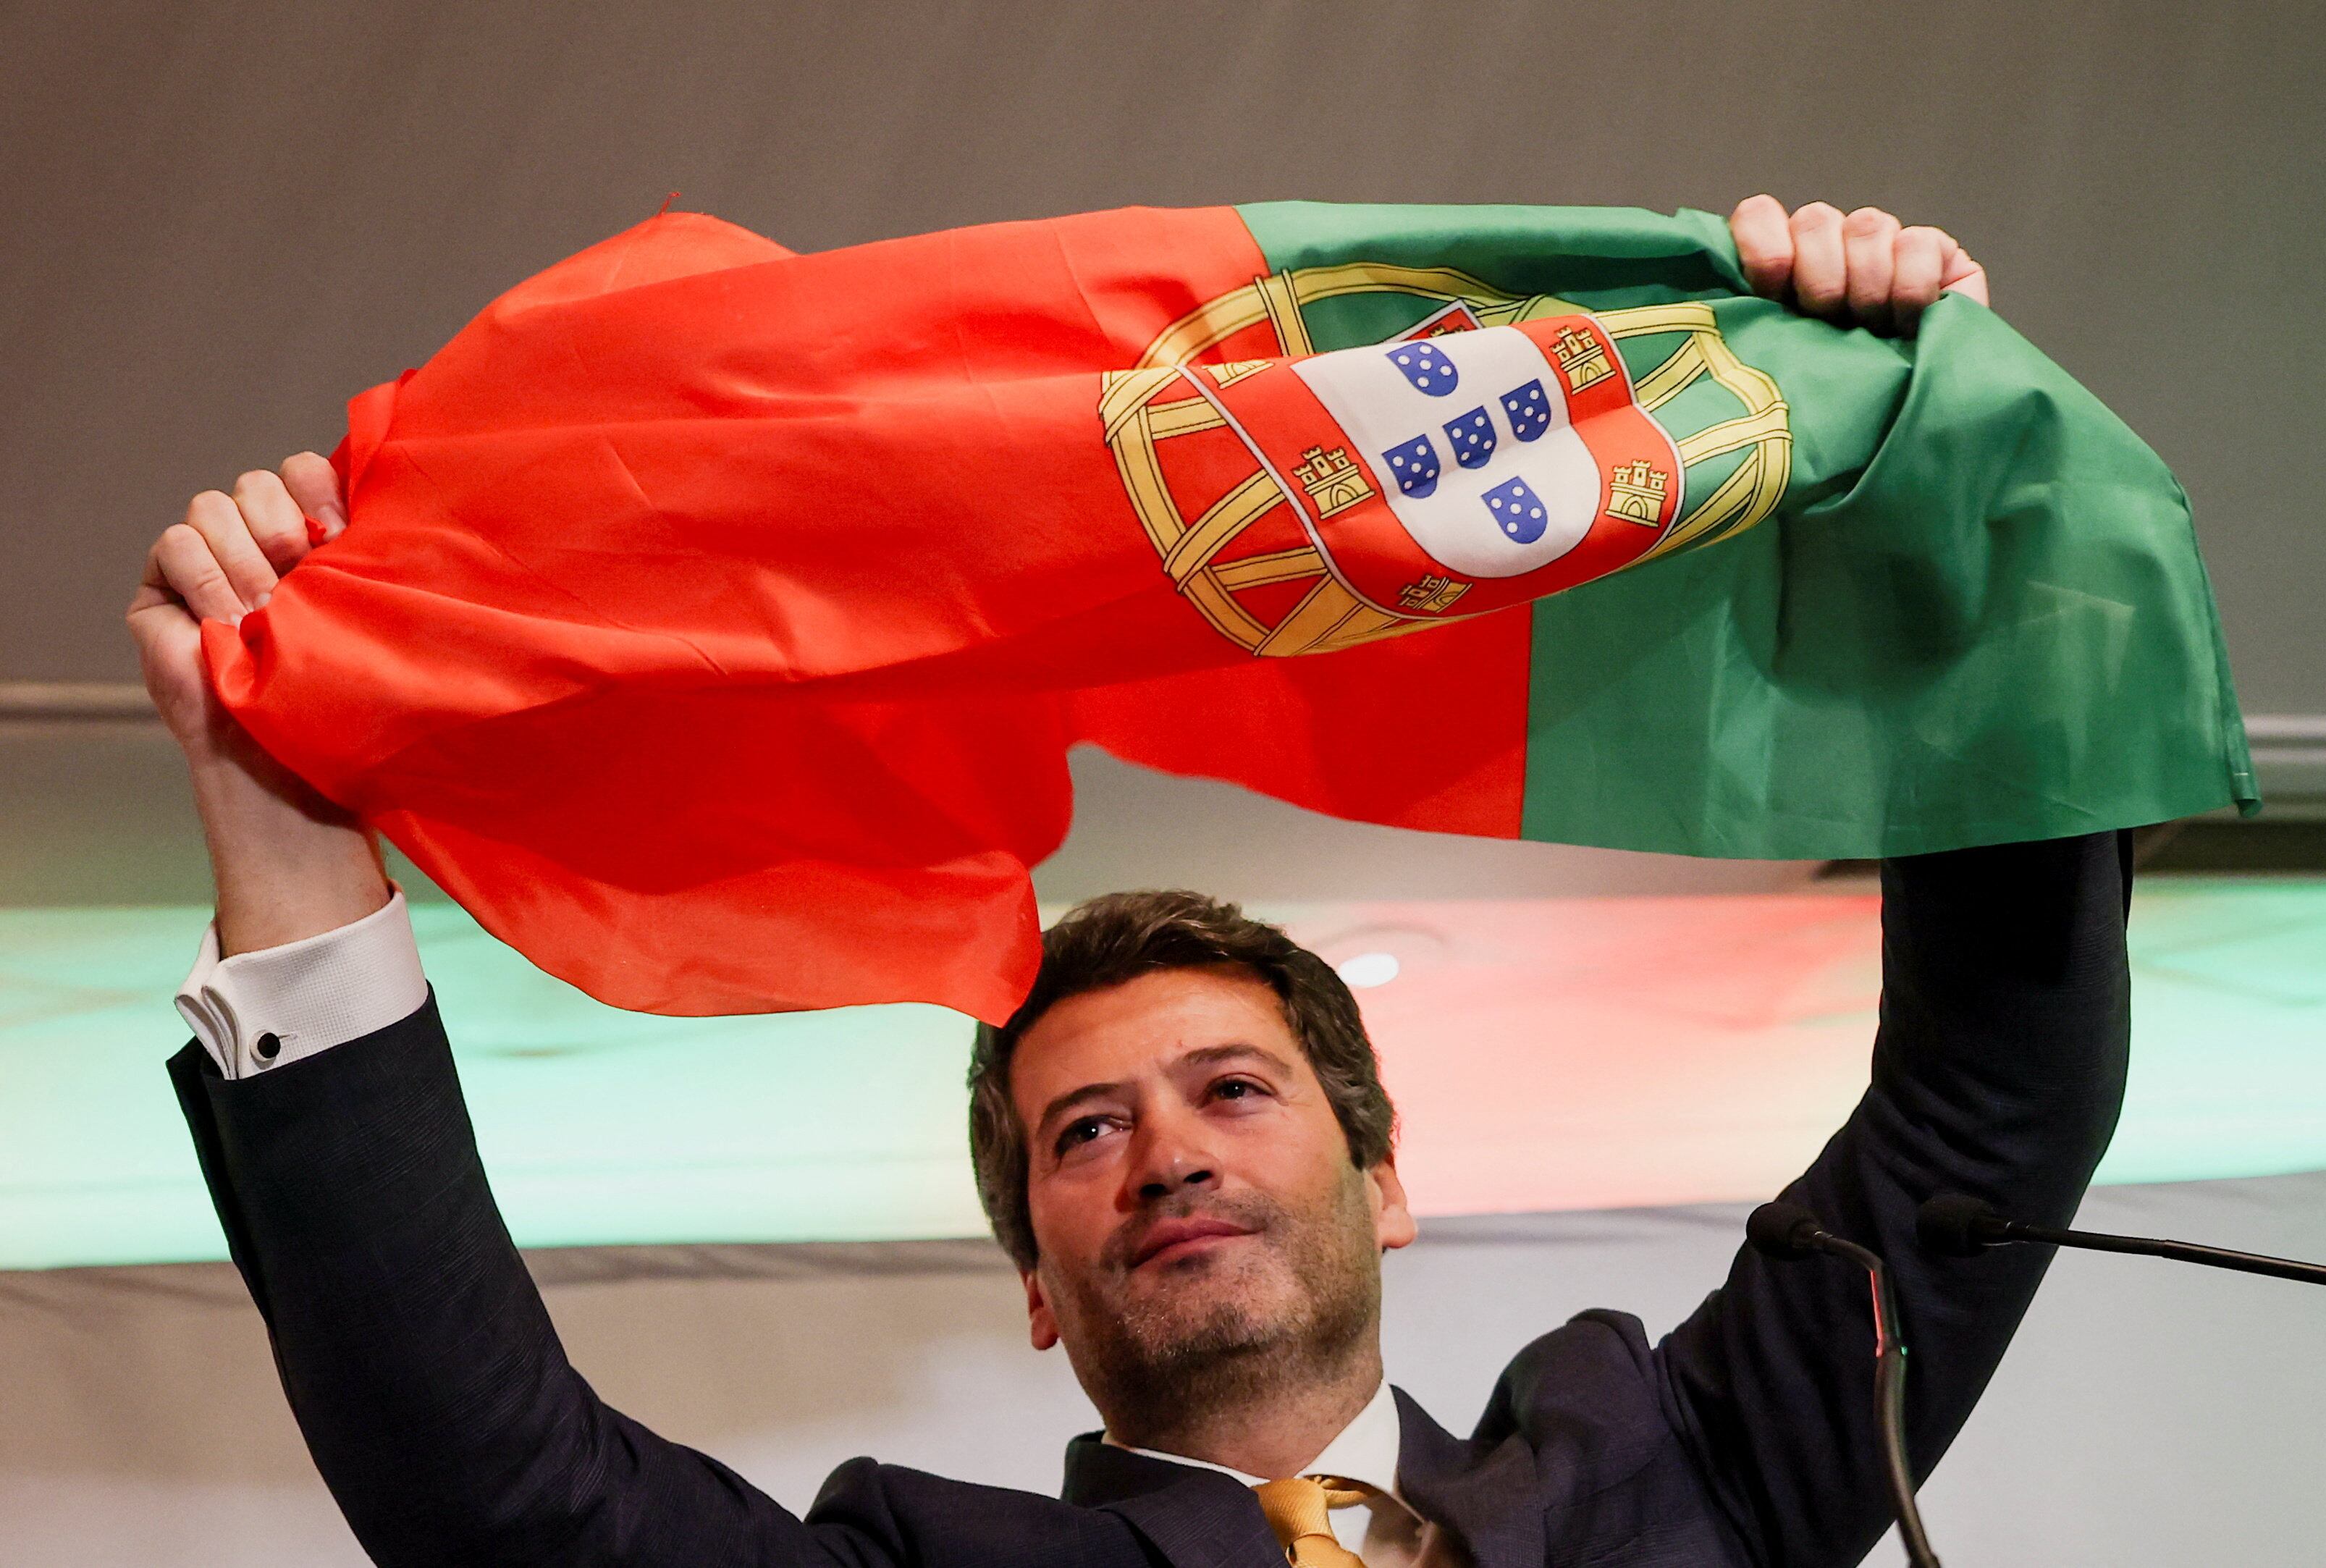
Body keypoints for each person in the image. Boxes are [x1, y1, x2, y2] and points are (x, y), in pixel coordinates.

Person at [132, 199, 2127, 1568]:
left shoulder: (1675, 1472)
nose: (1162, 1153)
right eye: (1084, 1130)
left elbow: (1991, 1102)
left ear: (1389, 1178)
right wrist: (288, 844)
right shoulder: (920, 1560)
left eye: (1230, 1089)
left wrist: (1923, 520)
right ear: (1030, 1280)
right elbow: (499, 1502)